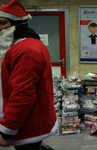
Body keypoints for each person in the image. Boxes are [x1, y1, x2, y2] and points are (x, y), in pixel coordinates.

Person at [0, 0, 57, 149]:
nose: (0, 28)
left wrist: (6, 131)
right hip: (29, 119)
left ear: (17, 24)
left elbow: (23, 94)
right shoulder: (27, 44)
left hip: (28, 123)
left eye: (3, 23)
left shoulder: (25, 50)